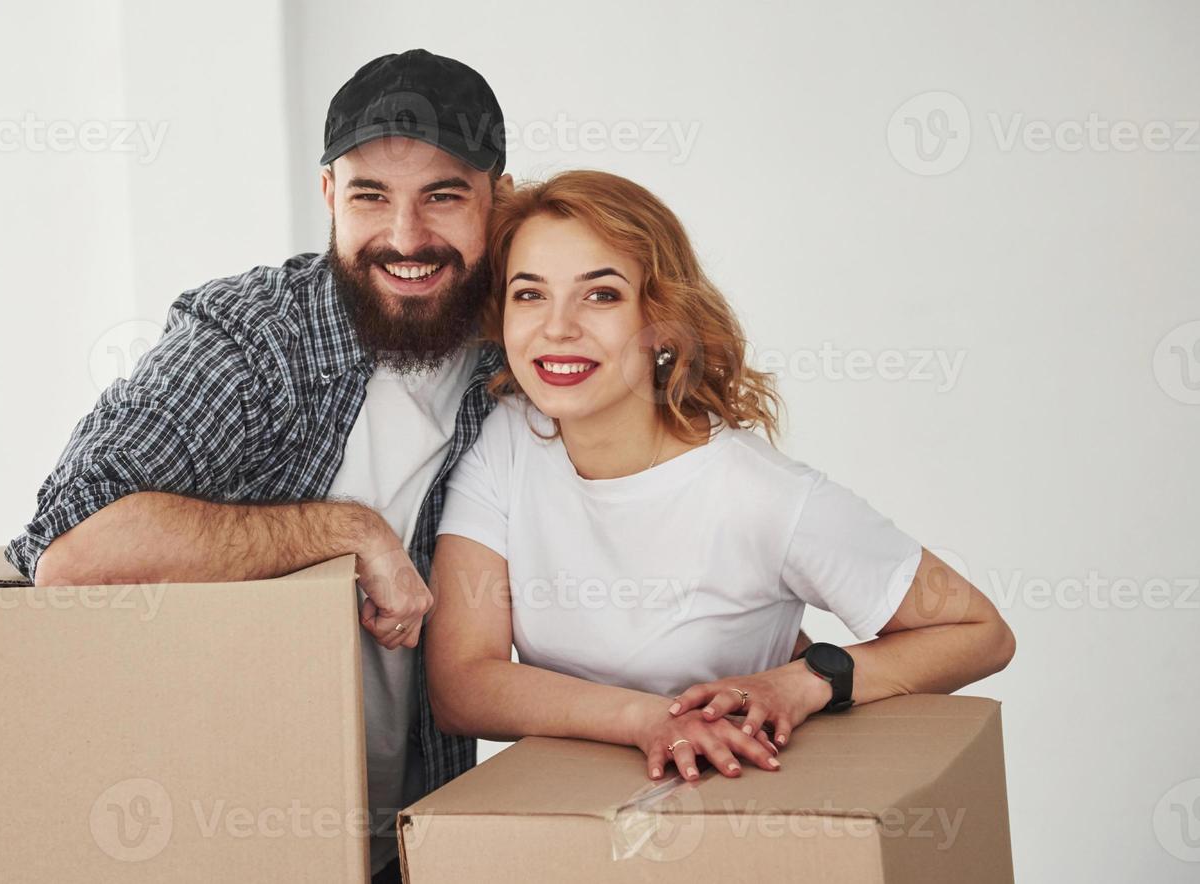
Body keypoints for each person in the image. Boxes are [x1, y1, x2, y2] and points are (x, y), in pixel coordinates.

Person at [5, 49, 511, 883]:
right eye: (370, 197)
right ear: (328, 198)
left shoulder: (525, 355)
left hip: (418, 839)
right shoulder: (250, 341)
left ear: (495, 198)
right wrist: (350, 533)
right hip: (217, 837)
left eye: (443, 196)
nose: (406, 237)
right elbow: (73, 558)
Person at [426, 170, 1016, 785]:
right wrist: (646, 719)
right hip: (572, 817)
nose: (557, 327)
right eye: (530, 294)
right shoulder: (506, 440)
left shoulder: (761, 496)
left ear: (661, 321)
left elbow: (980, 633)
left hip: (731, 814)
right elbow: (462, 685)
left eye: (600, 295)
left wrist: (806, 679)